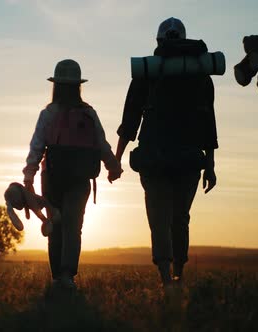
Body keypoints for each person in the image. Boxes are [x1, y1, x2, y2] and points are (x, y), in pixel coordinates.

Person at [115, 17, 218, 288]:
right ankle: (179, 274)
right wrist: (210, 164)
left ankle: (165, 279)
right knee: (180, 218)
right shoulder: (201, 76)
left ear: (159, 42)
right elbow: (209, 123)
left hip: (154, 156)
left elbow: (130, 119)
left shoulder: (147, 72)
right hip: (189, 157)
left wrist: (116, 157)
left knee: (158, 218)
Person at [22, 59, 123, 289]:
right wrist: (113, 166)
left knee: (55, 224)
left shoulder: (48, 113)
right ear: (78, 86)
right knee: (73, 224)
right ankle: (67, 275)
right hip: (80, 178)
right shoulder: (88, 113)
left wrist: (29, 176)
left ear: (55, 85)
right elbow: (101, 144)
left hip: (52, 178)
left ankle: (58, 276)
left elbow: (37, 146)